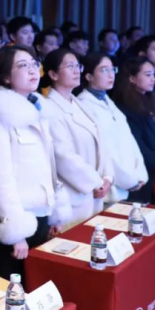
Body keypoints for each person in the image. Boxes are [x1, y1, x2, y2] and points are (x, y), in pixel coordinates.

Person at [0, 45, 69, 280]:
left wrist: (54, 213)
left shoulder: (37, 110)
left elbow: (49, 167)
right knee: (14, 289)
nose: (32, 70)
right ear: (6, 77)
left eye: (34, 64)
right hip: (17, 219)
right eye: (22, 65)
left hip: (41, 215)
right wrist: (15, 232)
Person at [41, 49, 112, 222]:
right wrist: (95, 182)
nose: (76, 71)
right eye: (70, 66)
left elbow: (101, 143)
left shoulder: (78, 103)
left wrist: (107, 177)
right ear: (53, 74)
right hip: (73, 195)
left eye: (77, 66)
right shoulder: (49, 108)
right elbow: (63, 156)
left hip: (94, 191)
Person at [77, 53, 148, 202]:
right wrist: (128, 181)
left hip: (130, 182)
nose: (111, 75)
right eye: (104, 70)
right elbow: (104, 151)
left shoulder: (108, 101)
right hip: (109, 188)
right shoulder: (84, 105)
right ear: (89, 76)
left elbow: (129, 140)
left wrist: (140, 173)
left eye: (112, 69)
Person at [113, 57, 155, 203]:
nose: (153, 79)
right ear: (132, 78)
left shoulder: (149, 100)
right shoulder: (125, 107)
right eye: (147, 75)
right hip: (142, 172)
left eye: (153, 74)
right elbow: (136, 142)